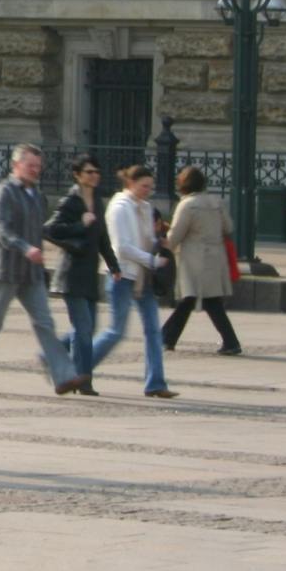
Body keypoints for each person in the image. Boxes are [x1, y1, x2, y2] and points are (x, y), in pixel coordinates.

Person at [0, 142, 89, 396]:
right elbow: (1, 228)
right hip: (6, 270)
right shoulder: (5, 192)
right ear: (16, 165)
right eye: (30, 165)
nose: (35, 170)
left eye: (38, 166)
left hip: (31, 274)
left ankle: (63, 377)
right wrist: (25, 248)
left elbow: (40, 229)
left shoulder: (36, 195)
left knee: (45, 323)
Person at [97, 164, 178, 398]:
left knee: (153, 330)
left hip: (143, 277)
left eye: (150, 187)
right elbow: (121, 247)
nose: (148, 191)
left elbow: (147, 239)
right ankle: (79, 367)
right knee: (116, 331)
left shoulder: (145, 207)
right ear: (130, 184)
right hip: (122, 274)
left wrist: (160, 243)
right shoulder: (119, 207)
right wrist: (151, 260)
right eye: (144, 186)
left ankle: (155, 383)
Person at [45, 154, 120, 391]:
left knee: (88, 328)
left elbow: (103, 237)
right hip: (71, 274)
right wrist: (80, 225)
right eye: (89, 172)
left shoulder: (97, 200)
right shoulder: (71, 201)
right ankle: (83, 380)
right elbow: (50, 229)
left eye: (96, 171)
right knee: (83, 330)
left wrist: (114, 265)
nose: (94, 176)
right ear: (78, 175)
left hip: (88, 273)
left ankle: (53, 355)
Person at [163, 165, 243, 356]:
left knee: (192, 298)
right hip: (216, 257)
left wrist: (166, 246)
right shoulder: (216, 202)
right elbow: (228, 227)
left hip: (195, 258)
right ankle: (168, 337)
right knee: (207, 300)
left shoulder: (187, 205)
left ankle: (165, 337)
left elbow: (176, 234)